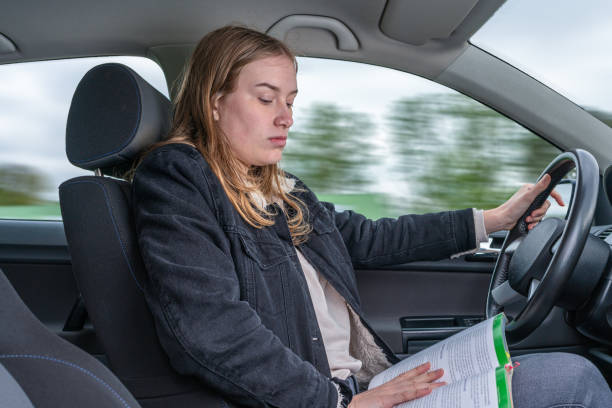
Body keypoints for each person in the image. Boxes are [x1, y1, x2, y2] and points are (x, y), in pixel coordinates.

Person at [132, 25, 612, 407]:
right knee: (577, 381)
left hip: (360, 383)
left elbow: (369, 237)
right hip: (327, 397)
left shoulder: (276, 185)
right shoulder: (180, 177)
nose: (287, 117)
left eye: (291, 100)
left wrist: (495, 219)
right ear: (215, 102)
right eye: (266, 98)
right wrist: (336, 402)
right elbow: (212, 330)